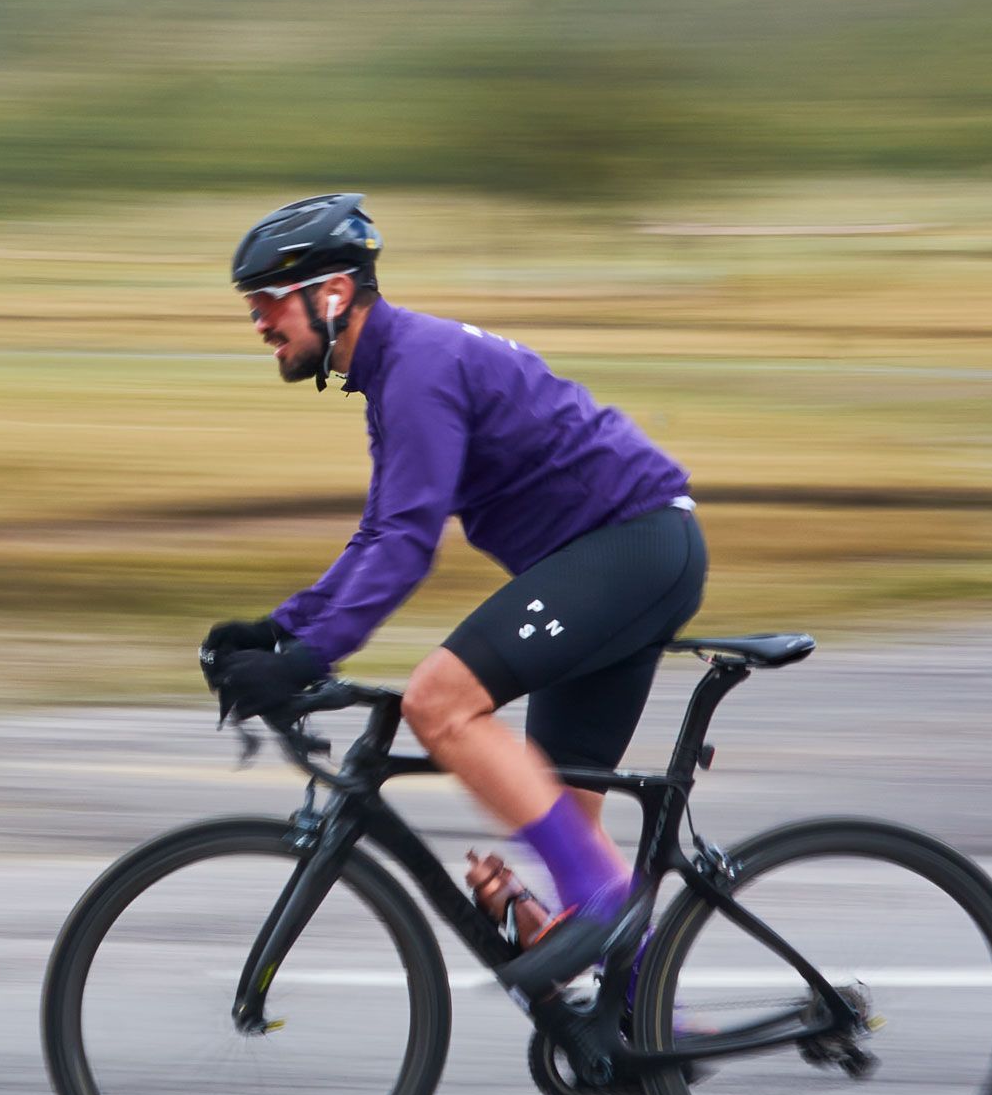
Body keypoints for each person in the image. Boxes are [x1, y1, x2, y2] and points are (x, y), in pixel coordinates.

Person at [201, 193, 706, 998]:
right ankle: (642, 1029)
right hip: (613, 559)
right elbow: (380, 530)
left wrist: (306, 658)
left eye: (267, 301)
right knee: (561, 817)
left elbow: (407, 544)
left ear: (332, 294)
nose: (258, 322)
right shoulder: (395, 369)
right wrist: (279, 631)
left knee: (437, 702)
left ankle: (603, 908)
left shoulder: (417, 369)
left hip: (632, 549)